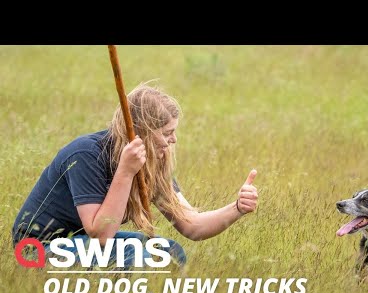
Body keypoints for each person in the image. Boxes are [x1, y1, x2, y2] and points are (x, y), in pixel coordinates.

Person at [12, 82, 258, 268]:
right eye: (167, 132)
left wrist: (236, 208)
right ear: (142, 132)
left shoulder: (151, 163)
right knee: (134, 255)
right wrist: (126, 171)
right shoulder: (86, 154)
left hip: (82, 243)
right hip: (36, 248)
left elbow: (193, 226)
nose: (173, 140)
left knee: (170, 252)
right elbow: (101, 234)